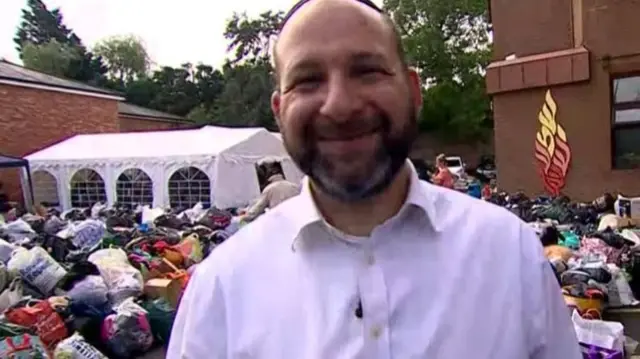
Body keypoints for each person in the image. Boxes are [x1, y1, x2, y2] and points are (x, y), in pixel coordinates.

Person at [167, 0, 581, 358]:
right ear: (279, 110)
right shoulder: (220, 290)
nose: (340, 106)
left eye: (367, 70)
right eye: (308, 80)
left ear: (414, 91)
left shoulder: (510, 255)